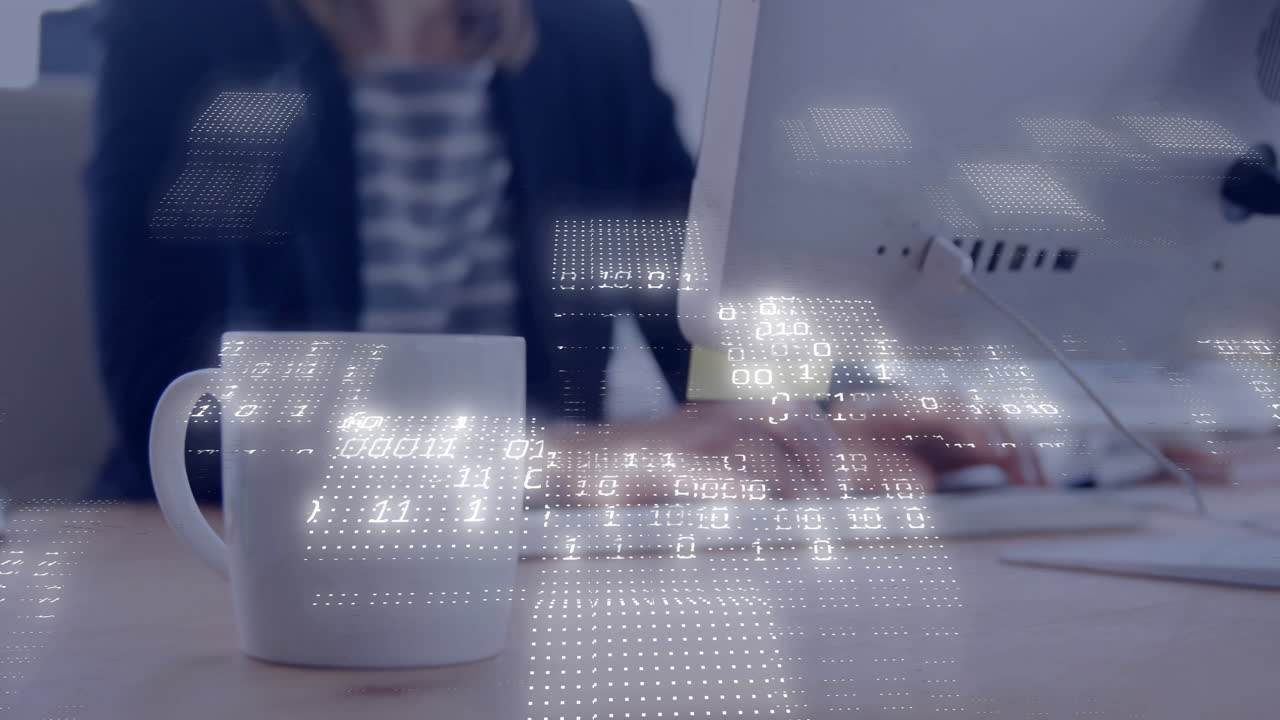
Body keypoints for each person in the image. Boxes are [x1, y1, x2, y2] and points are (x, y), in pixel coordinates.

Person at [87, 0, 1033, 503]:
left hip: (531, 565)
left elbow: (707, 321)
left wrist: (845, 411)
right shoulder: (192, 32)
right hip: (229, 561)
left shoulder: (589, 40)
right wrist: (565, 459)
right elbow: (190, 420)